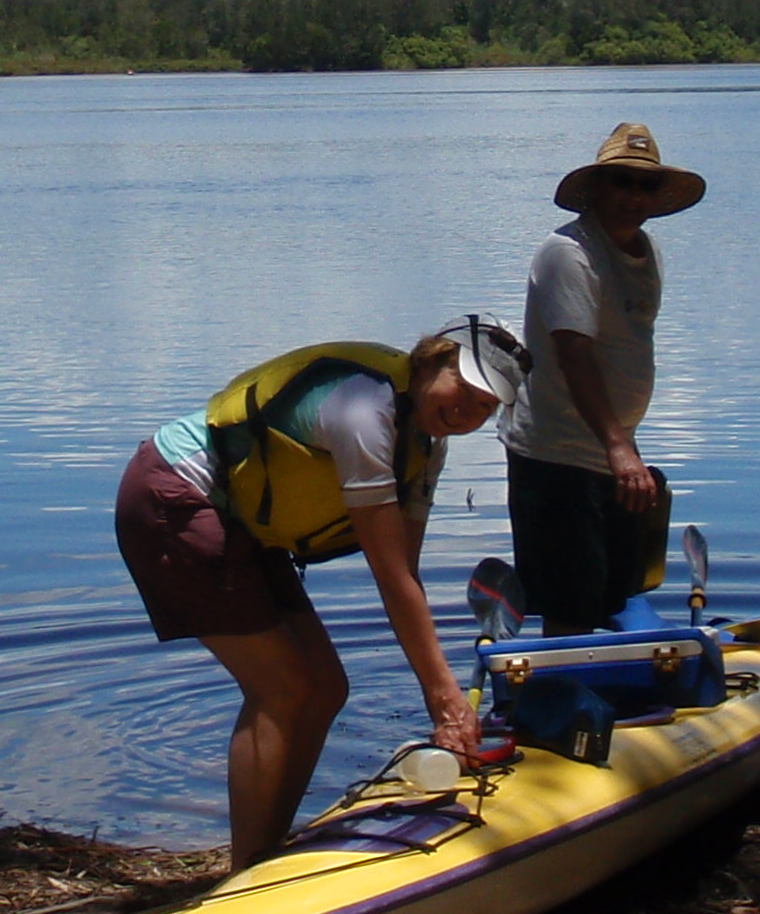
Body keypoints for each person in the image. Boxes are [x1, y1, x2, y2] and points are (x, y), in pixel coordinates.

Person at [115, 317, 529, 870]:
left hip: (238, 520)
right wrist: (446, 700)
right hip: (175, 493)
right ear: (432, 360)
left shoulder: (427, 449)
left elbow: (407, 572)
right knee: (282, 689)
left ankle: (269, 854)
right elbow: (390, 578)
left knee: (327, 687)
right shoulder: (364, 412)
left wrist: (444, 698)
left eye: (485, 407)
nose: (467, 412)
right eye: (465, 390)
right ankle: (246, 871)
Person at [499, 123, 705, 634]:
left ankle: (625, 702)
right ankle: (559, 705)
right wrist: (619, 449)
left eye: (646, 186)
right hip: (555, 458)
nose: (633, 197)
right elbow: (575, 355)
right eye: (621, 182)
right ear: (596, 188)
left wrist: (621, 451)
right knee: (571, 611)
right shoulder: (567, 253)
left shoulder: (647, 251)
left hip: (613, 457)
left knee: (615, 597)